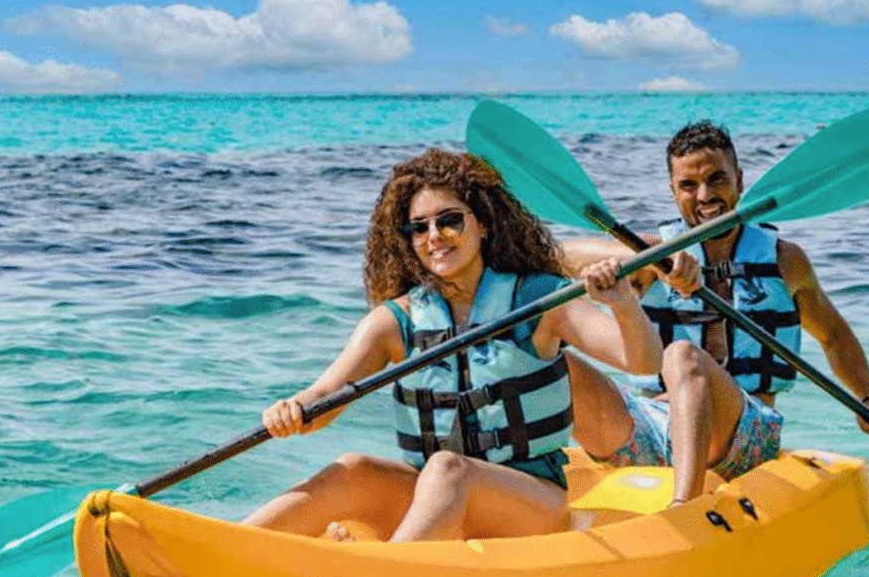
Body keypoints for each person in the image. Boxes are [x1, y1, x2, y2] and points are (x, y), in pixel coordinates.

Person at [244, 148, 663, 541]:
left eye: (449, 220)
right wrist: (292, 410)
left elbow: (642, 361)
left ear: (481, 223)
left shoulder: (540, 299)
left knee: (448, 469)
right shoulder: (397, 322)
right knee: (354, 471)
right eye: (419, 227)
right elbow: (324, 398)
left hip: (531, 501)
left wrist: (623, 304)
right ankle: (227, 553)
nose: (435, 236)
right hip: (437, 494)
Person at [562, 121, 869, 504]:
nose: (705, 196)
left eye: (717, 179)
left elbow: (834, 336)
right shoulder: (652, 257)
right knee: (560, 363)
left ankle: (684, 508)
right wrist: (649, 259)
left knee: (682, 355)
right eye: (689, 186)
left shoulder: (784, 261)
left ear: (740, 180)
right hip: (652, 428)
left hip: (745, 435)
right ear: (674, 193)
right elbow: (560, 256)